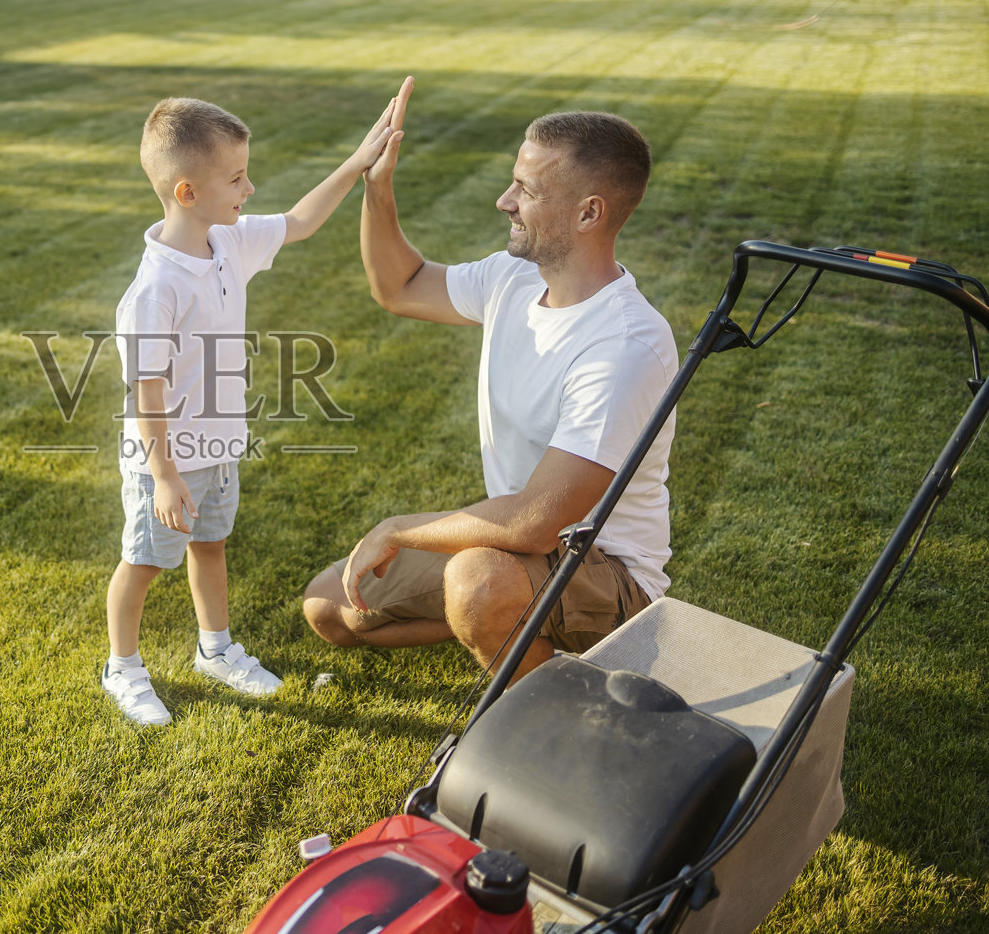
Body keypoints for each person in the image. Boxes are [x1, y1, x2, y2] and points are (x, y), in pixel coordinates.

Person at [302, 78, 678, 681]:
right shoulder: (515, 277)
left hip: (609, 577)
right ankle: (516, 630)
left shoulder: (626, 344)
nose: (504, 200)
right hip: (516, 552)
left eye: (525, 190)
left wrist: (401, 529)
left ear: (589, 212)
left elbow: (535, 521)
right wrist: (378, 187)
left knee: (476, 582)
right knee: (332, 606)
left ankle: (538, 718)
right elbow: (399, 286)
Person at [104, 96, 399, 726]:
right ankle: (122, 667)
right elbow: (144, 392)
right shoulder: (154, 290)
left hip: (217, 451)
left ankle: (216, 649)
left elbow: (299, 220)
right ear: (187, 192)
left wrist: (357, 162)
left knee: (210, 546)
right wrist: (163, 477)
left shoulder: (227, 242)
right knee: (145, 561)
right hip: (165, 466)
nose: (250, 187)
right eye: (236, 178)